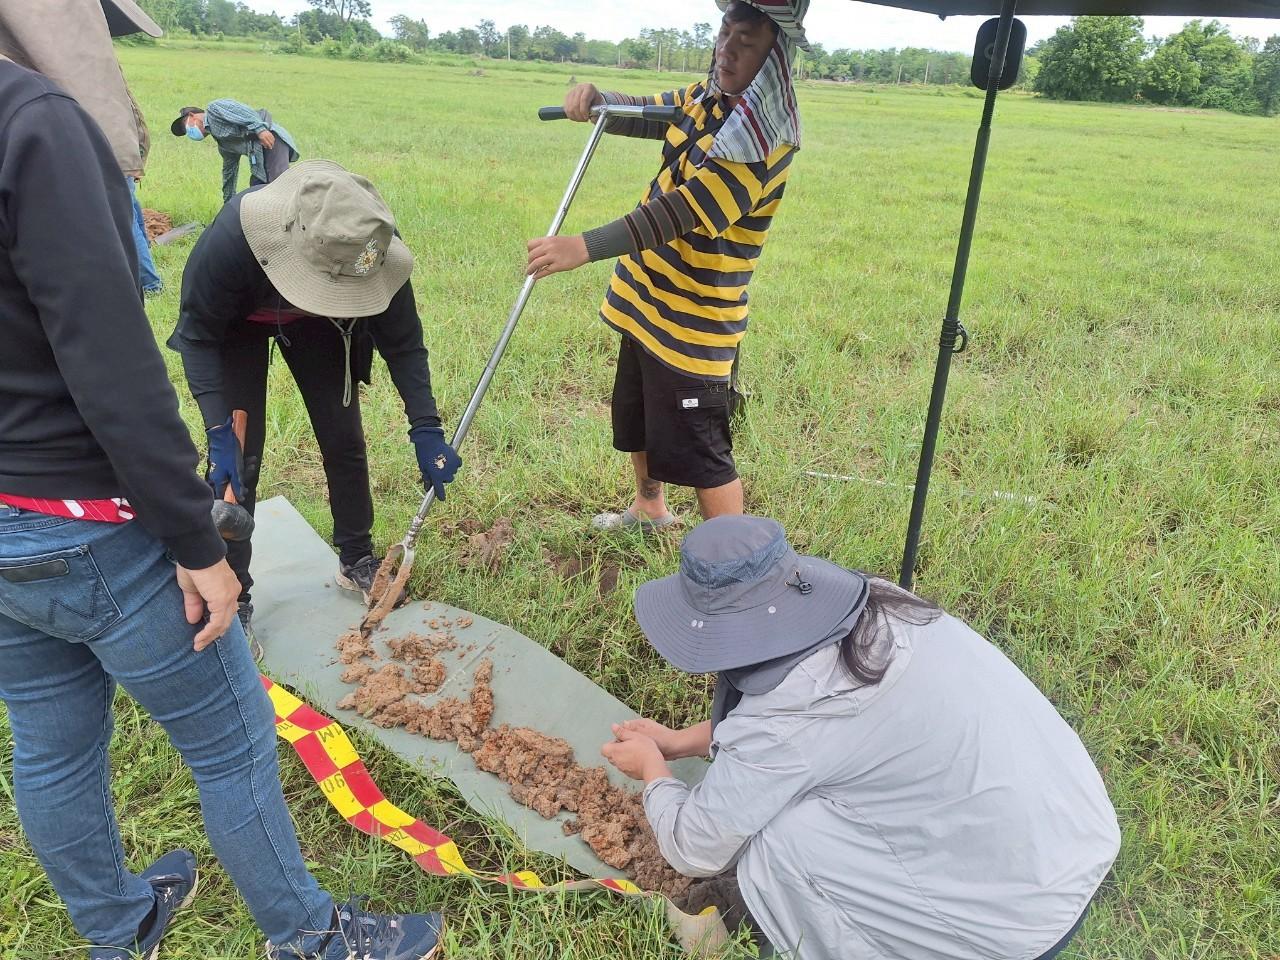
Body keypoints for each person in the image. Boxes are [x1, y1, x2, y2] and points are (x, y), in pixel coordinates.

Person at [0, 59, 443, 960]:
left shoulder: (362, 257)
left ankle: (117, 929)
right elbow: (127, 353)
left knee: (49, 748)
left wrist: (428, 424)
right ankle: (315, 939)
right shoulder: (40, 125)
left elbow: (402, 337)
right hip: (90, 521)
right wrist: (201, 508)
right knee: (235, 742)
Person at [602, 515, 1121, 960]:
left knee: (780, 838)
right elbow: (828, 739)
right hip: (1072, 837)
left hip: (1007, 928)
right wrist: (680, 741)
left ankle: (782, 918)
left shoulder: (794, 710)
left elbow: (694, 847)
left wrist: (653, 768)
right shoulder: (878, 610)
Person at [526, 0, 807, 531]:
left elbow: (683, 212)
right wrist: (600, 102)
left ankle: (735, 573)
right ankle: (649, 507)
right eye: (725, 33)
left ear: (774, 58)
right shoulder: (707, 100)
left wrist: (583, 246)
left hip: (693, 321)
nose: (727, 50)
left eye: (746, 43)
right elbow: (651, 111)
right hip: (647, 300)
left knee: (704, 453)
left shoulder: (766, 140)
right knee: (638, 419)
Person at [168, 159, 460, 647]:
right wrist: (219, 432)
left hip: (324, 323)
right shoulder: (233, 238)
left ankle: (357, 557)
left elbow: (404, 344)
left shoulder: (368, 242)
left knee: (342, 436)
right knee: (239, 463)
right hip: (237, 327)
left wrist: (425, 427)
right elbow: (197, 336)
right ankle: (233, 594)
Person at [0, 0, 162, 292]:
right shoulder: (93, 71)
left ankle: (146, 281)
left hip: (96, 155)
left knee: (119, 231)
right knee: (125, 224)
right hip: (107, 151)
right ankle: (145, 281)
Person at [172, 98, 300, 204]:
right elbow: (229, 172)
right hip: (258, 156)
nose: (188, 132)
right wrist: (228, 203)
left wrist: (260, 129)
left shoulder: (214, 109)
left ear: (192, 116)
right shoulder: (223, 144)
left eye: (186, 127)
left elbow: (243, 111)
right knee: (256, 192)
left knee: (278, 188)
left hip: (271, 140)